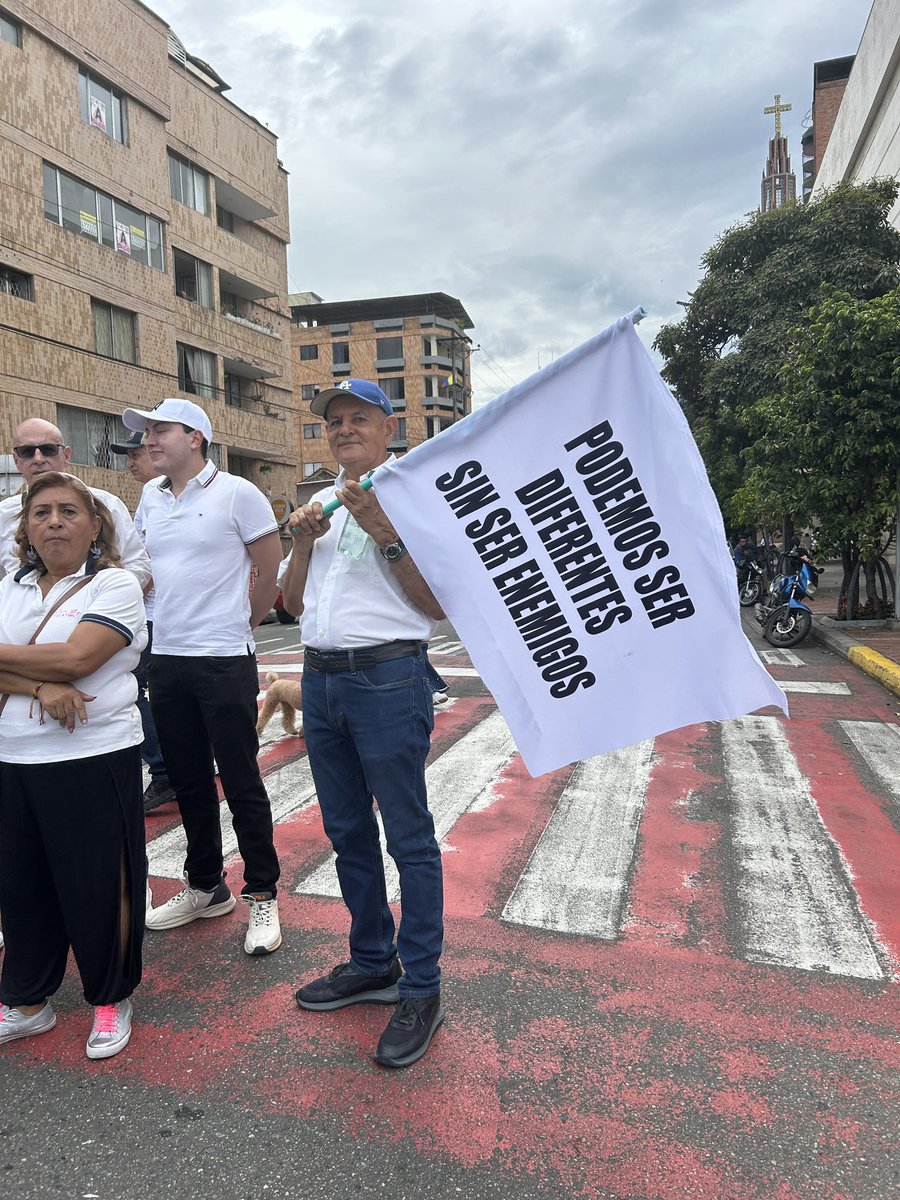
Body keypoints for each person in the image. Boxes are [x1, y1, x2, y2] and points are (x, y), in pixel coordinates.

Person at [281, 378, 445, 1069]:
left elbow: (437, 604)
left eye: (358, 418)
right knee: (346, 829)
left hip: (388, 676)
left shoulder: (415, 494)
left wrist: (382, 529)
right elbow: (291, 605)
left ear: (389, 428)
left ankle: (422, 984)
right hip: (320, 678)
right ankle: (372, 959)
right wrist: (300, 542)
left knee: (408, 835)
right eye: (334, 421)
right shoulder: (320, 501)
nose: (344, 429)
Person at [128, 399, 284, 956]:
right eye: (146, 432)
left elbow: (269, 567)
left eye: (160, 430)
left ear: (195, 437)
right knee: (190, 780)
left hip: (223, 658)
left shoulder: (238, 493)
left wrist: (242, 624)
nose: (149, 440)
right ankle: (205, 886)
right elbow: (144, 571)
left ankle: (262, 892)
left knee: (241, 779)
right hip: (167, 657)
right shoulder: (151, 496)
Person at [0, 473, 147, 1059]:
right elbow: (54, 669)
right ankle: (27, 1001)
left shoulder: (114, 584)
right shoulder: (8, 588)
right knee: (21, 885)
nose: (54, 522)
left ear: (94, 527)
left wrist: (44, 672)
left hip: (93, 753)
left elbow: (78, 658)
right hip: (12, 754)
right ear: (26, 530)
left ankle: (111, 998)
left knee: (99, 883)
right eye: (41, 513)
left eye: (68, 511)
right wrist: (38, 685)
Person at [0, 418, 151, 590]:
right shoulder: (4, 513)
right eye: (27, 451)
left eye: (48, 449)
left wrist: (103, 594)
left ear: (66, 455)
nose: (38, 458)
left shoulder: (108, 504)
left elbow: (139, 565)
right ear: (16, 460)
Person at [110, 430, 174, 813]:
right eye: (129, 456)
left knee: (133, 690)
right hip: (153, 616)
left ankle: (164, 770)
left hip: (154, 617)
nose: (131, 463)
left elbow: (144, 566)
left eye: (137, 454)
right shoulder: (151, 496)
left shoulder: (162, 493)